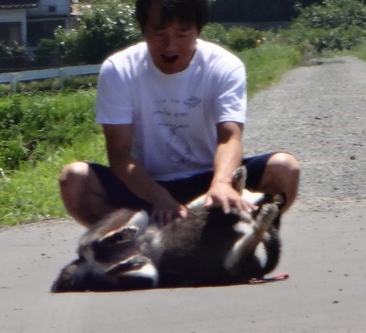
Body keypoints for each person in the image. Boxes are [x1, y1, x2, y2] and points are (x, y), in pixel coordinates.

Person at [59, 0, 300, 227]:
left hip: (209, 178)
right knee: (75, 180)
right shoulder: (119, 69)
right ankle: (130, 241)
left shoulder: (225, 65)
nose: (170, 45)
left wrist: (222, 182)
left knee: (285, 169)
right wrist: (159, 197)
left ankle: (239, 237)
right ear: (143, 28)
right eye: (159, 32)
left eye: (182, 33)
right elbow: (120, 155)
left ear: (198, 29)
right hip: (145, 185)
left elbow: (230, 137)